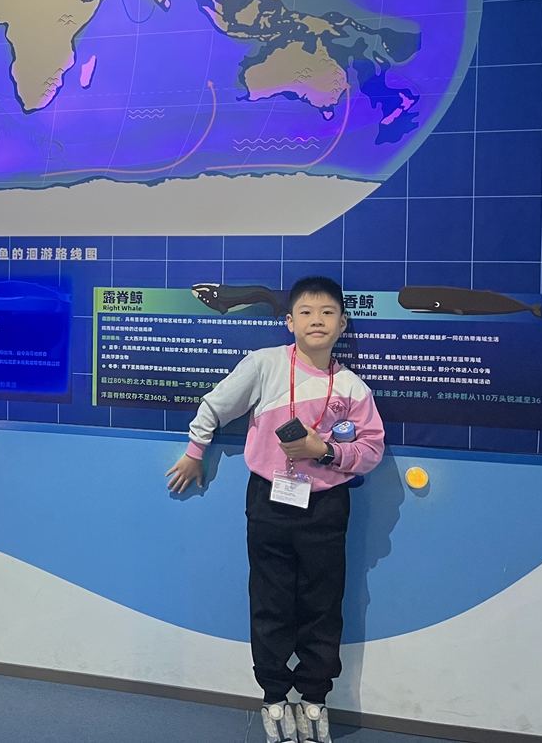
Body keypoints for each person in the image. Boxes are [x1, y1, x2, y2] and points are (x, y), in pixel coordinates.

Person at [166, 276, 384, 743]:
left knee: (323, 604)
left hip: (327, 505)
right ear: (289, 322)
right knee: (270, 601)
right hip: (269, 499)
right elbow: (215, 406)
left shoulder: (352, 387)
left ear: (343, 324)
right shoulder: (265, 364)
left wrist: (325, 451)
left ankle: (314, 698)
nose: (316, 320)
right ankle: (274, 696)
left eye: (327, 312)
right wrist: (194, 450)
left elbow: (371, 449)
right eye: (305, 312)